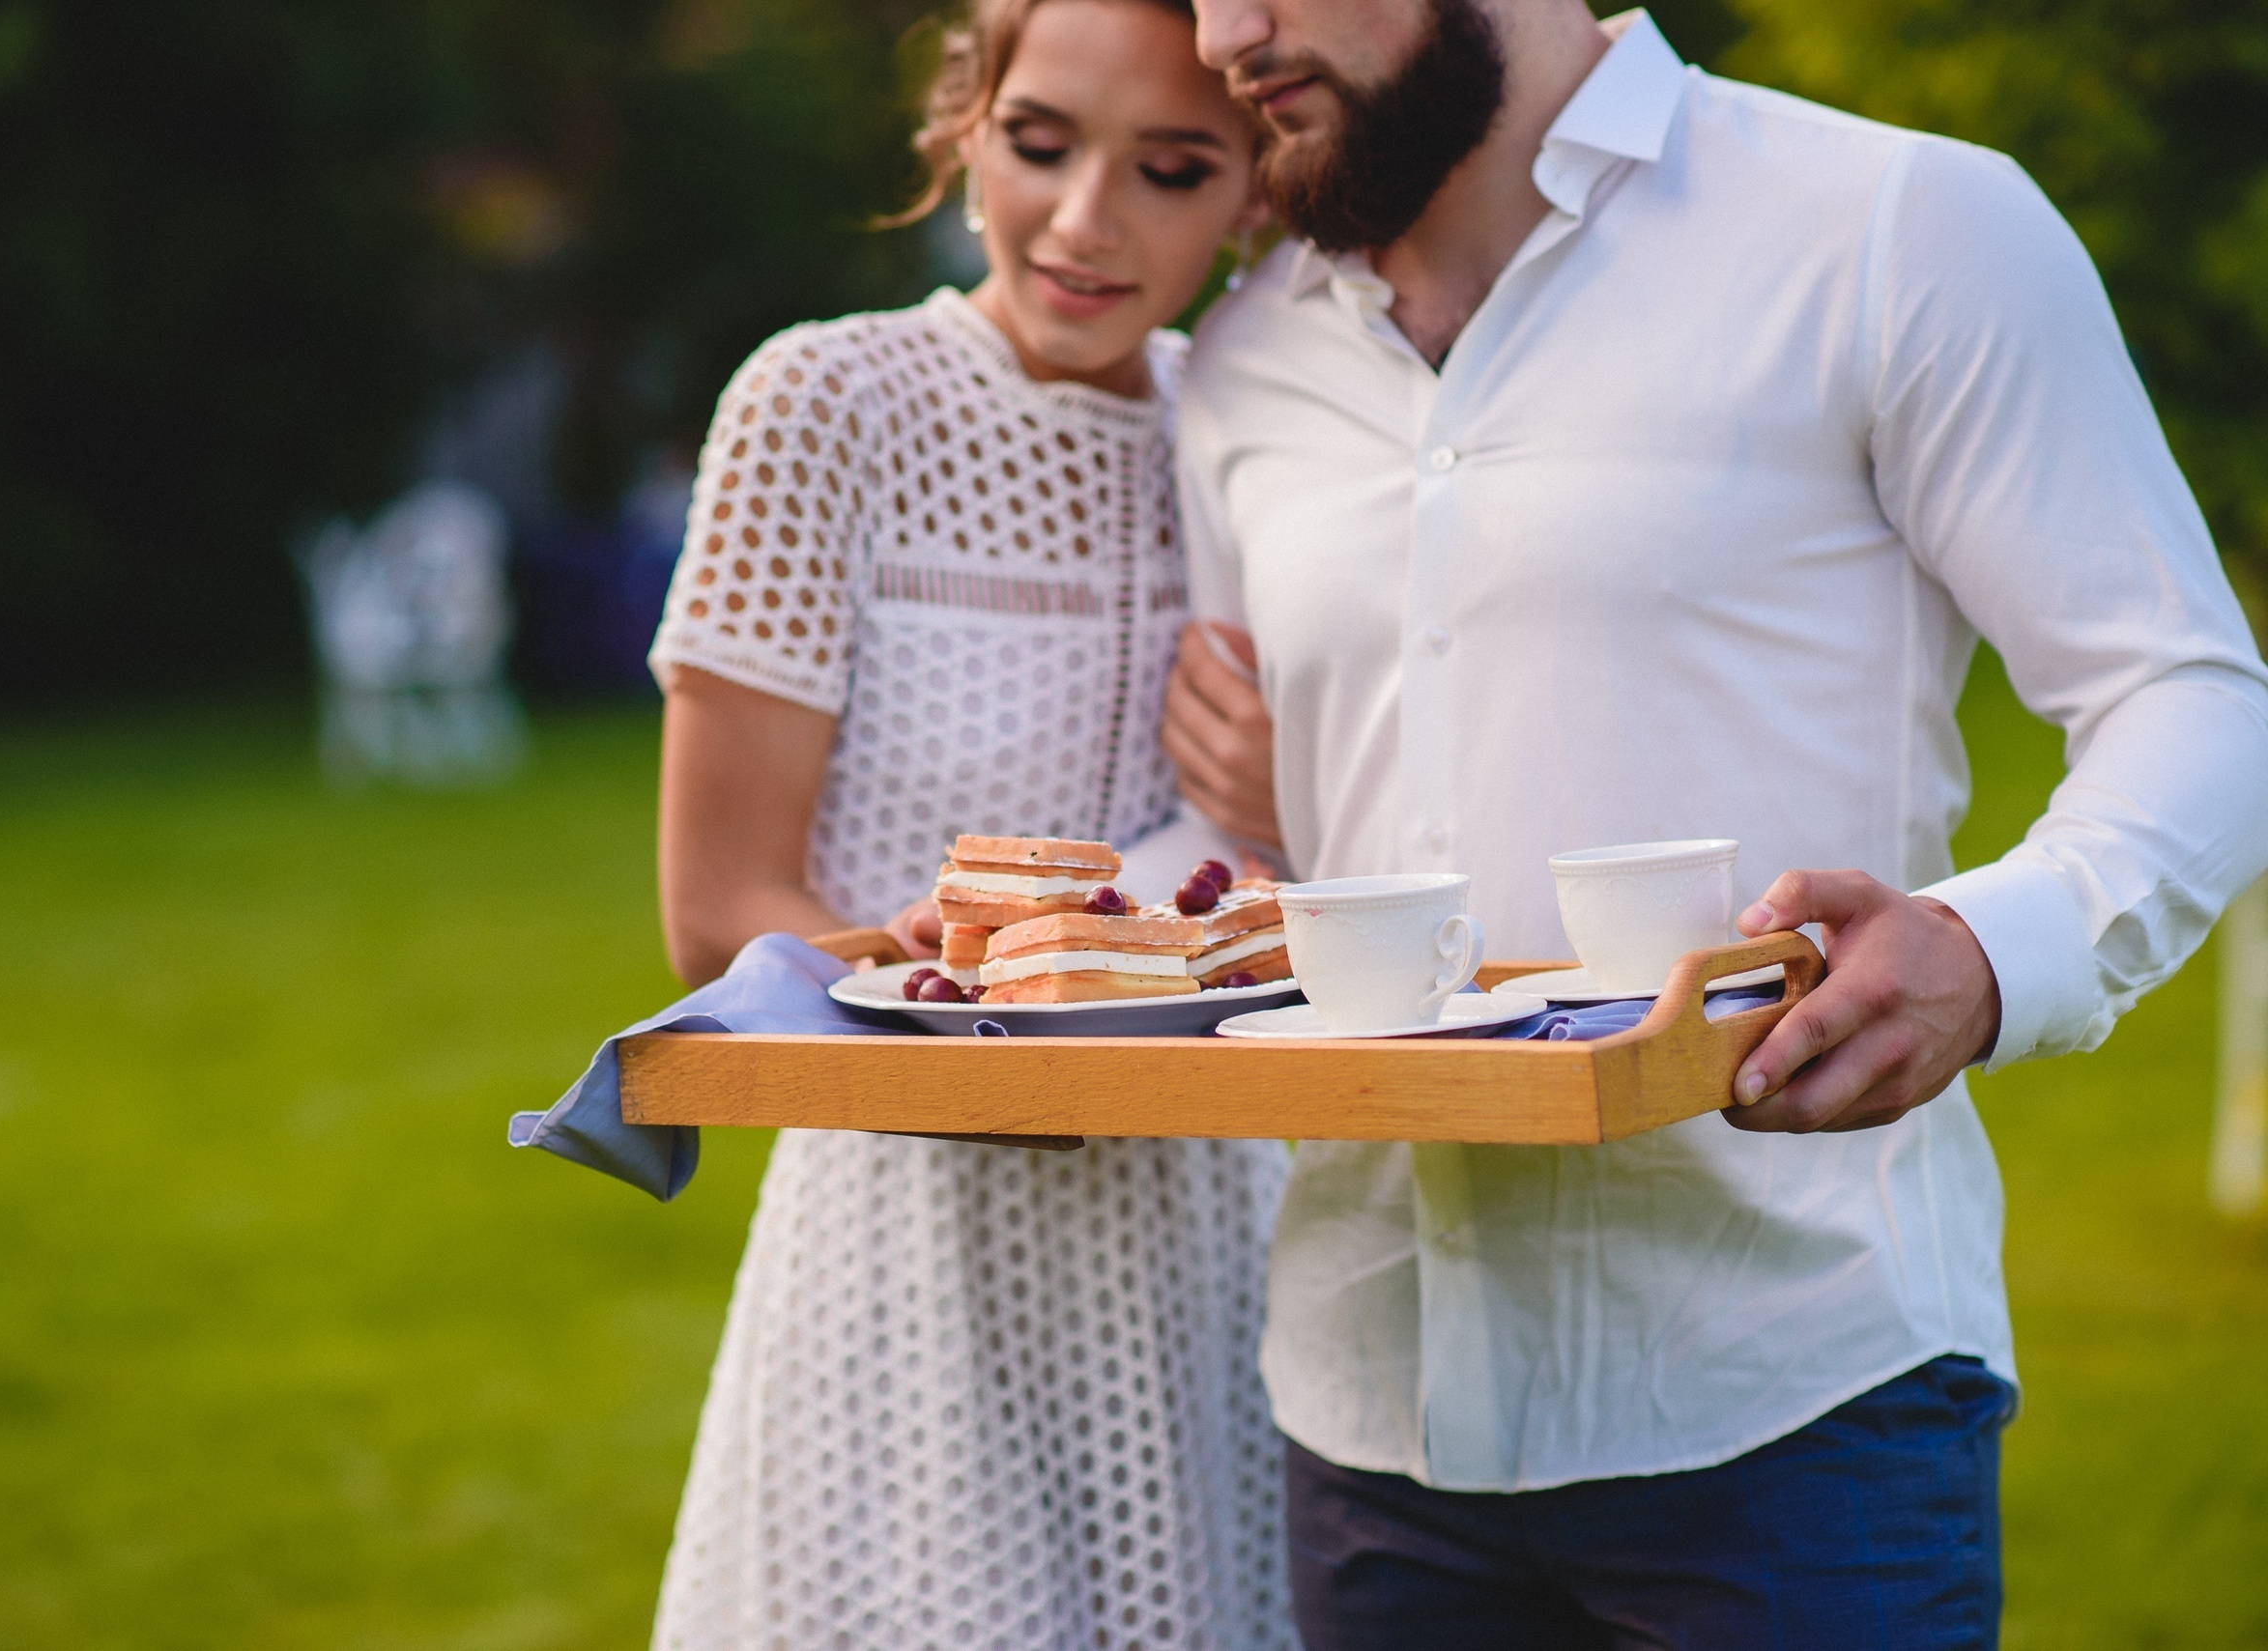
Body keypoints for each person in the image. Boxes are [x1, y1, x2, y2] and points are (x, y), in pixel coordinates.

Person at [1161, 0, 2268, 1645]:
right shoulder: (1243, 362)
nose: (1222, 33)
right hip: (1365, 1426)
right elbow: (1285, 839)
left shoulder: (1899, 229)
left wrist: (1984, 950)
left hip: (1795, 1416)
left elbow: (2192, 693)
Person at [644, 3, 1298, 1645]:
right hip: (909, 1245)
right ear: (967, 121)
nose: (1085, 223)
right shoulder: (824, 405)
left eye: (1170, 168)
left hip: (1217, 1238)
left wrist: (1286, 814)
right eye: (1039, 144)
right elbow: (719, 905)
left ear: (1260, 188)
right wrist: (936, 987)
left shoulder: (1273, 429)